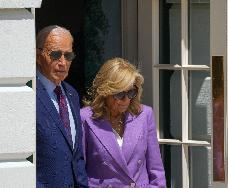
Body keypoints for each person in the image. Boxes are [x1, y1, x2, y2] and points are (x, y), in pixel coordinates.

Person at [81, 57, 166, 187]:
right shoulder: (85, 118)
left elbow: (156, 170)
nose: (126, 100)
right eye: (120, 95)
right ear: (105, 92)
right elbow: (79, 171)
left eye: (131, 92)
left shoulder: (145, 115)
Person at [36, 25, 88, 187]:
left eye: (68, 55)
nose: (63, 63)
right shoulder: (28, 94)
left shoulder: (71, 94)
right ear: (38, 56)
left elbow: (76, 154)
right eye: (56, 55)